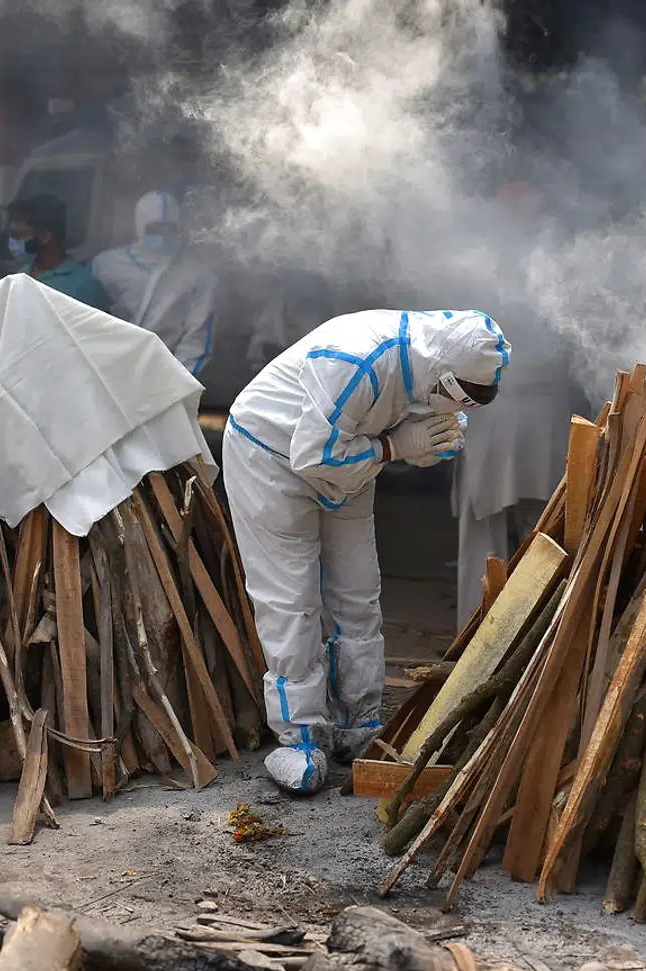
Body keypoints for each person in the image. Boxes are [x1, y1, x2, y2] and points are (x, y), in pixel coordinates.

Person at [224, 309, 511, 794]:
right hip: (272, 457)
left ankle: (359, 722)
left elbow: (402, 412)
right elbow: (312, 456)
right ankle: (300, 736)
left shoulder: (426, 361)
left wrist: (426, 436)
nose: (464, 403)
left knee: (358, 590)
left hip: (349, 459)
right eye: (463, 394)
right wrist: (394, 449)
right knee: (291, 600)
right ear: (441, 369)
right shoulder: (353, 361)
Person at [454, 182, 588, 629]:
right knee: (510, 528)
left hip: (531, 407)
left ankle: (524, 631)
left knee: (540, 527)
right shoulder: (478, 262)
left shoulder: (556, 264)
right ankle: (486, 631)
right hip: (498, 407)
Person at [91, 191, 219, 377]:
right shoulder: (106, 265)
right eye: (155, 229)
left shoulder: (198, 274)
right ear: (139, 226)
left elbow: (198, 337)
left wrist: (177, 381)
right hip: (110, 367)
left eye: (169, 229)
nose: (162, 236)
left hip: (165, 371)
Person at [5, 195, 111, 311]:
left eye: (21, 235)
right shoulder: (22, 274)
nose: (14, 243)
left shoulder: (84, 287)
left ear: (45, 236)